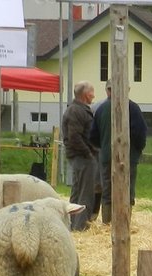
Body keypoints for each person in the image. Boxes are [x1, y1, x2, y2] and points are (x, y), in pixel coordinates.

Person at [89, 84, 147, 224]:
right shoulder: (133, 108)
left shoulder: (101, 109)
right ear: (126, 90)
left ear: (109, 90)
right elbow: (140, 134)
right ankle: (124, 222)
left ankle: (107, 223)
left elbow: (92, 136)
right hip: (128, 158)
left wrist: (104, 148)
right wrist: (136, 151)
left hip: (106, 157)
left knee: (107, 191)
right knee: (127, 190)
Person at [61, 81, 98, 231]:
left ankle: (71, 225)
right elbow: (74, 137)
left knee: (77, 192)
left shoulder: (77, 109)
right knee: (85, 192)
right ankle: (80, 226)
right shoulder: (76, 111)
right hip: (82, 157)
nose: (94, 95)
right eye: (91, 92)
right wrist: (88, 153)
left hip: (79, 156)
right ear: (84, 95)